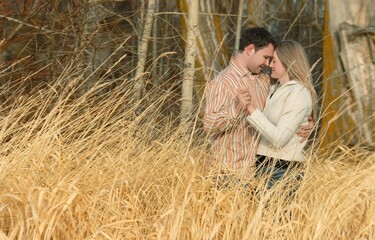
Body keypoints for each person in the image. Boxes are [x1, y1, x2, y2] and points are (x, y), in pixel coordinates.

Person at [203, 27, 313, 177]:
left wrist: (304, 122)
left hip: (256, 172)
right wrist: (236, 108)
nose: (268, 64)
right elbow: (209, 125)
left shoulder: (264, 78)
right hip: (227, 172)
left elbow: (286, 104)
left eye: (271, 60)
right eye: (266, 57)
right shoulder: (222, 82)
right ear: (250, 50)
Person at [238, 40, 317, 188]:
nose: (269, 65)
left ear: (288, 62)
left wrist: (250, 109)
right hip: (264, 166)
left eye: (274, 61)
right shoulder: (275, 89)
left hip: (282, 171)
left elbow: (279, 139)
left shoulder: (298, 92)